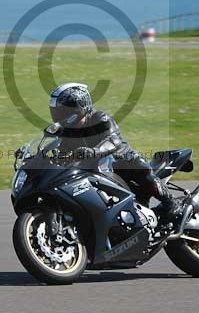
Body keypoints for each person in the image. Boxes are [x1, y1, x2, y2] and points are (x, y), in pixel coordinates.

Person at [48, 82, 185, 225]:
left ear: (79, 106)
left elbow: (113, 141)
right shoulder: (67, 132)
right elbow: (61, 151)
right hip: (96, 170)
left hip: (122, 161)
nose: (59, 115)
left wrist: (94, 151)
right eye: (57, 111)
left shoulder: (99, 118)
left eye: (64, 111)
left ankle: (171, 202)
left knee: (143, 172)